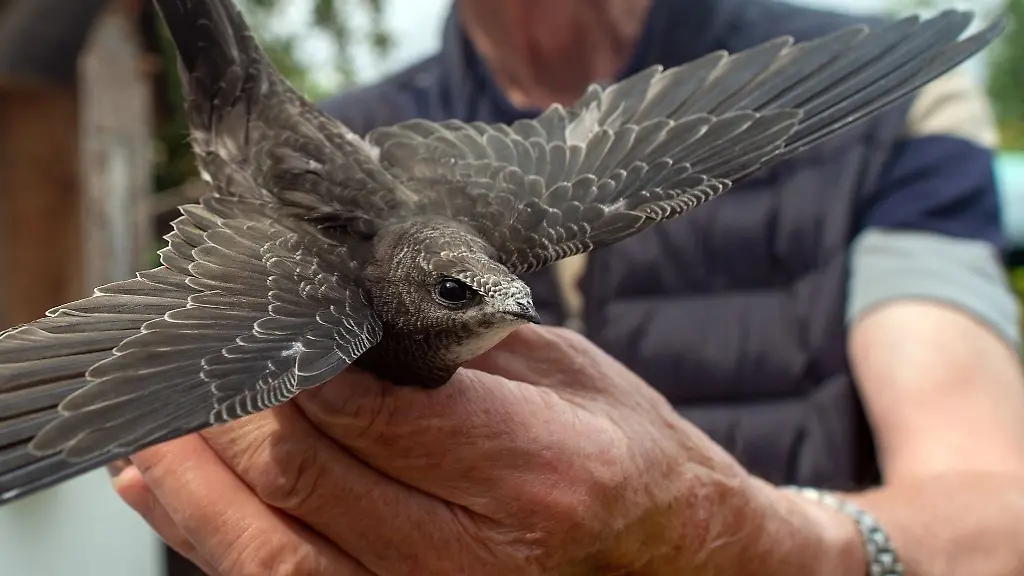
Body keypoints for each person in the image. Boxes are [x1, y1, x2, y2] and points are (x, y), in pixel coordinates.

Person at [111, 0, 1024, 574]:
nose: (515, 307)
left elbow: (1001, 515)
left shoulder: (896, 123)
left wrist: (764, 543)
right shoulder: (333, 154)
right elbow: (188, 464)